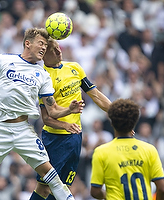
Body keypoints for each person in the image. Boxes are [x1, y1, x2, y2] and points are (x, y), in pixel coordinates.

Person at [0, 28, 85, 200]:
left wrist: (69, 109)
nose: (44, 48)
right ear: (28, 43)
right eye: (41, 43)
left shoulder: (43, 74)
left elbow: (52, 109)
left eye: (46, 45)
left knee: (50, 174)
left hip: (23, 129)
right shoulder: (4, 60)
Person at [30, 38, 111, 200]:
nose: (59, 52)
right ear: (44, 55)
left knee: (63, 186)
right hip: (55, 138)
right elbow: (46, 118)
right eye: (54, 50)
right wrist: (65, 125)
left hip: (75, 137)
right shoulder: (44, 78)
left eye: (59, 48)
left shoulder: (74, 67)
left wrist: (117, 114)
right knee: (45, 186)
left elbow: (95, 94)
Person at [90, 98, 164, 200]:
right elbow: (162, 189)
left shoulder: (101, 152)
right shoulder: (149, 149)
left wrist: (107, 195)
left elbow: (95, 191)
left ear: (112, 123)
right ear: (134, 122)